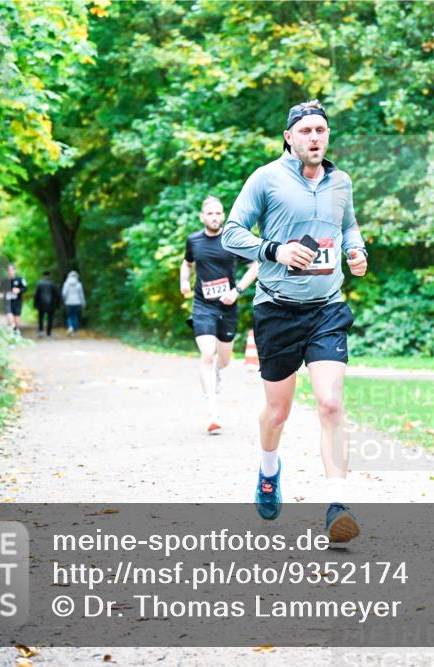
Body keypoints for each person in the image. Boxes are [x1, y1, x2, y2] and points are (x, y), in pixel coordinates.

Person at [222, 99, 368, 543]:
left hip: (326, 309)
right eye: (305, 131)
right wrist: (275, 250)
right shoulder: (266, 179)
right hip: (277, 309)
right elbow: (232, 232)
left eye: (321, 130)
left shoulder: (340, 181)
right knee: (278, 411)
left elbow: (349, 227)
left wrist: (356, 252)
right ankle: (269, 472)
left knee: (330, 404)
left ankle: (338, 506)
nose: (314, 138)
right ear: (289, 137)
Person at [180, 196, 259, 434]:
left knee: (223, 360)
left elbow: (255, 266)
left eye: (218, 213)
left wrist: (237, 291)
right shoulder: (193, 240)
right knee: (207, 354)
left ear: (223, 216)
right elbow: (187, 263)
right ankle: (212, 411)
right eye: (210, 213)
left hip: (227, 307)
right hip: (203, 306)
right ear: (202, 217)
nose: (214, 217)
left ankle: (216, 374)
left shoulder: (231, 239)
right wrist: (184, 280)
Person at [1, 264, 27, 335]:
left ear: (15, 270)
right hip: (7, 303)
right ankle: (13, 333)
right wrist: (1, 294)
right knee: (10, 318)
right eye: (9, 270)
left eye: (12, 270)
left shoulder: (20, 279)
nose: (10, 271)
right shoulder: (4, 281)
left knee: (16, 319)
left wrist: (19, 290)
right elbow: (0, 291)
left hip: (17, 302)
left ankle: (16, 330)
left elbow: (25, 288)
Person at [33, 271, 59, 338]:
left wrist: (35, 304)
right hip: (51, 304)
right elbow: (57, 295)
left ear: (42, 276)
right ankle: (49, 333)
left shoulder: (39, 284)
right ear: (49, 276)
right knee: (50, 319)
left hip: (41, 304)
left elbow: (36, 295)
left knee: (41, 318)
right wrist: (57, 304)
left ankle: (41, 331)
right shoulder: (52, 284)